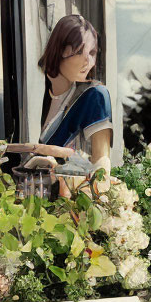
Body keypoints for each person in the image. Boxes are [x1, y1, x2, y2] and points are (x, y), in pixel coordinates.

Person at [32, 14, 113, 196]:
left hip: (76, 205)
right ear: (59, 50)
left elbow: (102, 167)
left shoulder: (95, 96)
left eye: (92, 53)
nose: (88, 62)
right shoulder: (41, 93)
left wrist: (61, 157)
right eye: (79, 52)